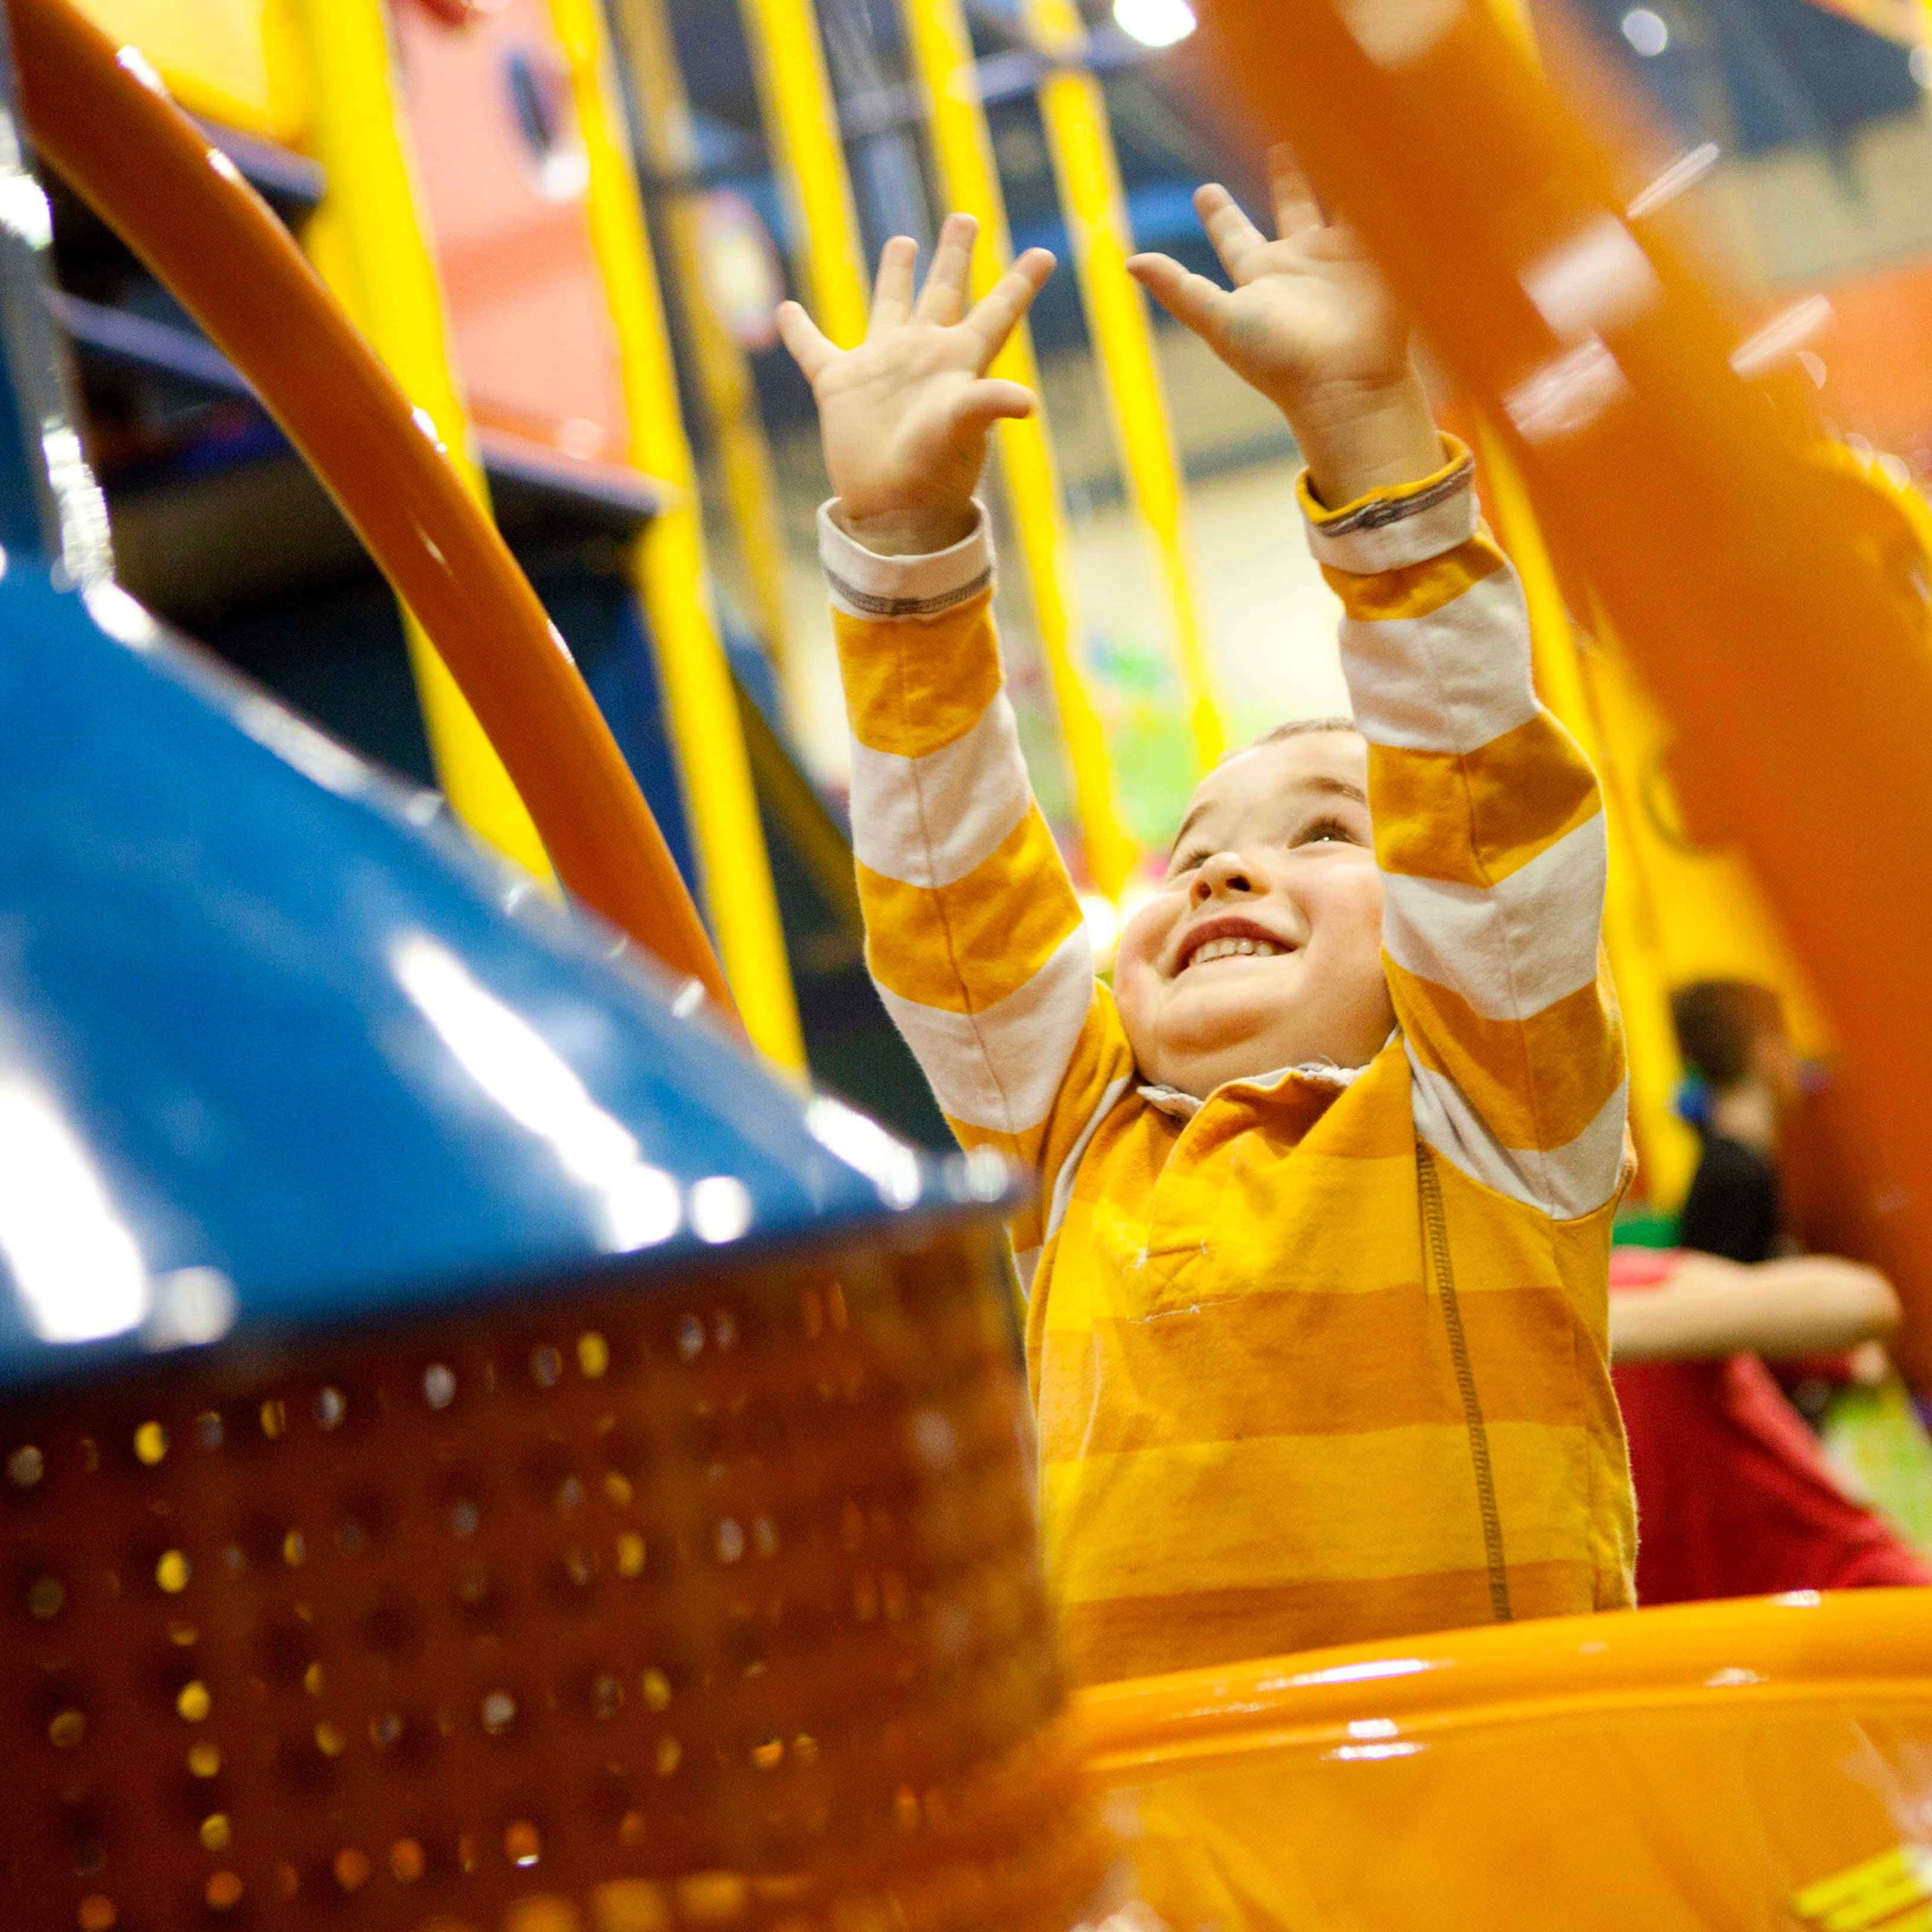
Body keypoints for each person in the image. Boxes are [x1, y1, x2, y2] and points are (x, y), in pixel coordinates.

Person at [777, 155, 1635, 1687]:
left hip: (1478, 1834)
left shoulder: (1487, 1120)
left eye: (1320, 831)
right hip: (1170, 1850)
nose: (1228, 873)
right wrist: (900, 548)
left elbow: (1475, 805)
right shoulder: (1077, 1136)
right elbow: (956, 899)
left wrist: (1370, 437)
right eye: (1192, 855)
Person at [1611, 1244, 1930, 1598]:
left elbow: (1859, 1305)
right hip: (1689, 1643)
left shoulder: (1632, 1284)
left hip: (1854, 1603)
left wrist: (1590, 1327)